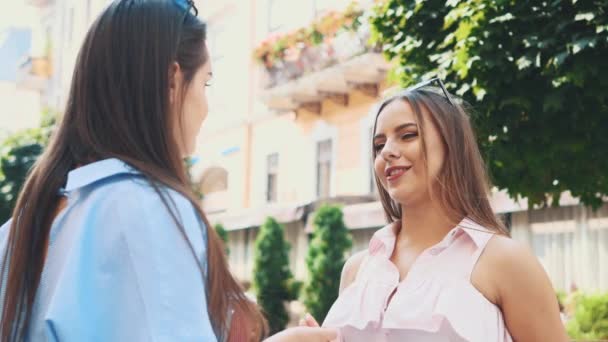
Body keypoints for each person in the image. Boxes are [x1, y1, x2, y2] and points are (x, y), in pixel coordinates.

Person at [0, 1, 336, 341]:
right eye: (205, 83)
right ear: (172, 82)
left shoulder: (21, 228)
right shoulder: (147, 210)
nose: (206, 108)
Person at [302, 78, 569, 341]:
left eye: (407, 135)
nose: (387, 152)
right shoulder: (357, 269)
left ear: (451, 145)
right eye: (378, 145)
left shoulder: (506, 261)